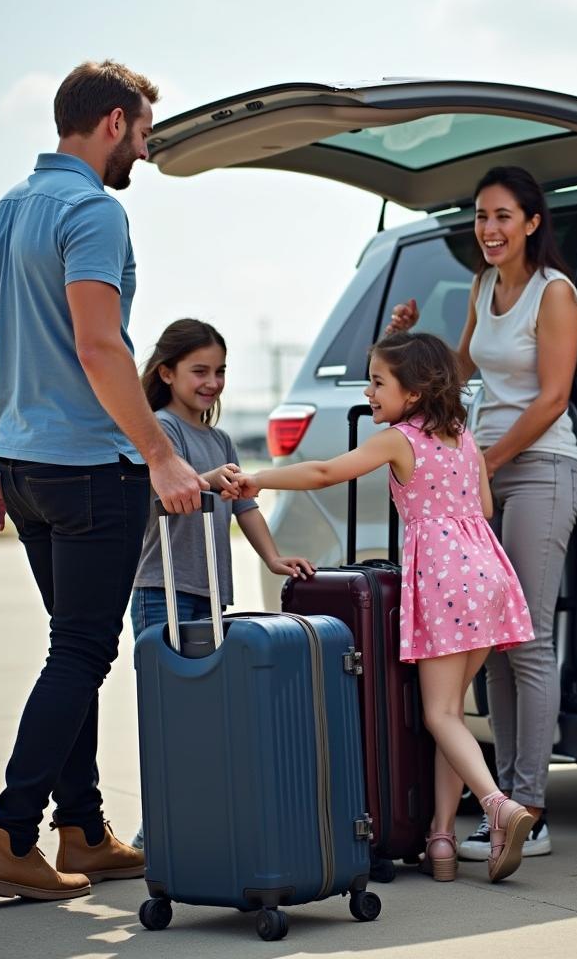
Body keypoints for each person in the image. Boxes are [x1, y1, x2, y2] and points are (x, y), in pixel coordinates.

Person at [0, 60, 207, 902]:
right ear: (111, 123)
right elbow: (101, 346)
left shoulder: (0, 216)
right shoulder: (92, 211)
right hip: (89, 469)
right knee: (80, 652)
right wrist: (162, 452)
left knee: (71, 649)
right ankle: (12, 834)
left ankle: (82, 827)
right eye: (142, 132)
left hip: (27, 468)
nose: (144, 149)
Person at [227, 331, 537, 883]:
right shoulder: (463, 437)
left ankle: (498, 807)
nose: (369, 392)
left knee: (437, 714)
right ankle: (440, 839)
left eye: (378, 382)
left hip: (445, 579)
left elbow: (324, 473)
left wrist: (256, 478)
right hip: (488, 573)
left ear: (413, 393)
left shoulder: (400, 440)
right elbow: (485, 505)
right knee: (454, 717)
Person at [385, 165, 577, 861]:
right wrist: (405, 340)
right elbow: (458, 375)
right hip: (484, 475)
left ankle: (531, 805)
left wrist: (487, 463)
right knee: (495, 636)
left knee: (527, 640)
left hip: (540, 469)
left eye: (503, 216)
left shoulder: (554, 295)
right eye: (481, 216)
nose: (489, 229)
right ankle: (500, 807)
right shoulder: (481, 288)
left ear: (532, 222)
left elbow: (553, 398)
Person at [129, 318, 315, 848]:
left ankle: (197, 817)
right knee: (170, 712)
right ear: (166, 373)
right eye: (199, 371)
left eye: (220, 371)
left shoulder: (220, 437)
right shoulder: (162, 430)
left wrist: (274, 558)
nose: (211, 382)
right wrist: (210, 480)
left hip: (210, 592)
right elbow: (169, 491)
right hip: (162, 589)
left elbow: (247, 508)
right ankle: (157, 827)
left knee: (207, 714)